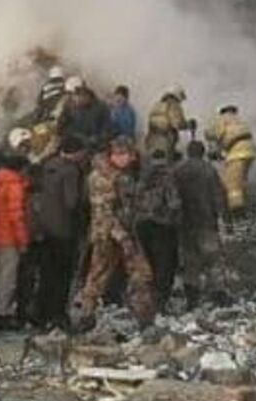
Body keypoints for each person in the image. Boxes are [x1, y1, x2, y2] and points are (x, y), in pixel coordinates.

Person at [75, 137, 155, 325]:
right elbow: (104, 213)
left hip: (125, 231)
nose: (129, 159)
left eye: (129, 155)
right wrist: (122, 236)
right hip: (107, 234)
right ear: (113, 155)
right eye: (123, 155)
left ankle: (144, 318)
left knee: (141, 274)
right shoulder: (101, 177)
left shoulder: (124, 174)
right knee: (98, 276)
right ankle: (85, 316)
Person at [29, 137, 89, 327]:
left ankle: (39, 312)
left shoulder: (48, 165)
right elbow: (71, 202)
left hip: (45, 228)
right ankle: (58, 314)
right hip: (64, 230)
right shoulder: (71, 171)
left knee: (47, 273)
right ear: (77, 152)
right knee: (63, 274)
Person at [174, 140, 228, 301]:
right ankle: (218, 293)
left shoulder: (179, 171)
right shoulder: (209, 170)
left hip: (186, 222)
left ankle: (192, 295)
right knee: (213, 257)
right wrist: (225, 218)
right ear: (202, 152)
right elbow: (219, 196)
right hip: (207, 221)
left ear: (188, 152)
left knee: (190, 259)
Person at [0, 151, 32, 322]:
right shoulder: (14, 185)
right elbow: (16, 217)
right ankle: (2, 314)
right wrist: (23, 241)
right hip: (9, 239)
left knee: (1, 276)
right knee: (8, 278)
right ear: (20, 169)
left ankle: (0, 310)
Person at [135, 147, 183, 309]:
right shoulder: (168, 175)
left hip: (142, 224)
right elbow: (174, 202)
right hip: (162, 224)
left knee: (148, 261)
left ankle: (147, 295)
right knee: (165, 262)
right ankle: (160, 299)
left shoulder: (142, 175)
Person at [206, 105, 256, 211]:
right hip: (249, 150)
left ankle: (236, 211)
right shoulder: (239, 120)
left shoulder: (223, 119)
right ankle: (245, 202)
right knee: (240, 180)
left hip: (238, 151)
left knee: (232, 185)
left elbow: (210, 133)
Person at [58, 79, 112, 152]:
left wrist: (96, 140)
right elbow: (61, 126)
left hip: (92, 147)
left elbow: (106, 130)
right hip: (72, 143)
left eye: (80, 97)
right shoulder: (69, 106)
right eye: (75, 97)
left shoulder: (102, 108)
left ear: (87, 96)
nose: (76, 100)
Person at [145, 87, 190, 160]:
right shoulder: (174, 105)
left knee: (154, 161)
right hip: (166, 139)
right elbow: (178, 124)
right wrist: (188, 125)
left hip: (151, 139)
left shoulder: (157, 104)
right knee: (167, 164)